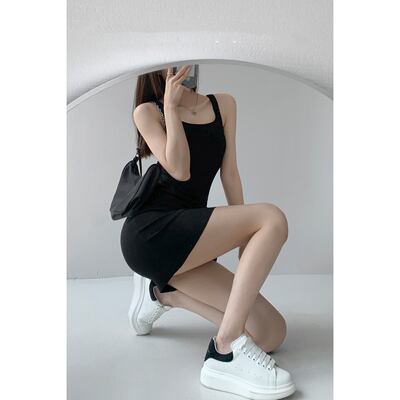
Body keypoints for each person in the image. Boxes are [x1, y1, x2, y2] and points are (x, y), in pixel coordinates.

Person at [120, 65, 296, 399]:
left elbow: (230, 173)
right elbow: (180, 169)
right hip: (151, 234)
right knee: (273, 218)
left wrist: (245, 234)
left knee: (271, 333)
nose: (184, 63)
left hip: (190, 240)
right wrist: (170, 107)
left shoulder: (223, 104)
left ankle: (163, 294)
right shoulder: (148, 112)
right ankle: (224, 349)